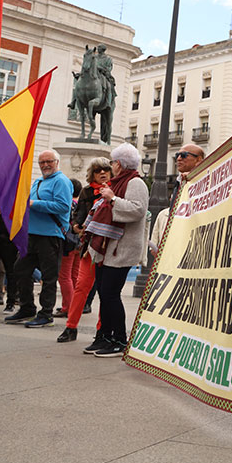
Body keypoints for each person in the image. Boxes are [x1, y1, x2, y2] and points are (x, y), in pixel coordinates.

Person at [82, 143, 148, 357]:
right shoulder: (116, 182)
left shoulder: (136, 183)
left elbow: (138, 211)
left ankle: (119, 339)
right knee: (104, 293)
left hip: (122, 248)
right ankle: (105, 336)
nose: (111, 166)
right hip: (107, 248)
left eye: (112, 162)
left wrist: (112, 198)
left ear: (118, 164)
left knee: (110, 294)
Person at [4, 150, 72, 328]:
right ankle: (27, 308)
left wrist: (34, 204)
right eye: (42, 162)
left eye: (49, 161)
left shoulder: (61, 181)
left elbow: (63, 206)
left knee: (49, 277)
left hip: (50, 236)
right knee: (20, 269)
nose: (45, 165)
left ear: (57, 162)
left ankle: (46, 314)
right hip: (32, 235)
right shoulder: (38, 181)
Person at [58, 158, 112, 344]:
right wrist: (76, 227)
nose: (102, 173)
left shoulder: (117, 191)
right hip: (89, 246)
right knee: (81, 287)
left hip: (110, 248)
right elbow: (76, 216)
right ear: (92, 174)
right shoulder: (87, 191)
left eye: (106, 169)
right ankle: (71, 327)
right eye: (98, 171)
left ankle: (101, 331)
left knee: (106, 291)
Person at [54, 178, 83, 318]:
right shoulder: (80, 204)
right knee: (75, 275)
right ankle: (75, 305)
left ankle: (68, 307)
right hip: (79, 243)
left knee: (64, 276)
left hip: (68, 243)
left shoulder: (68, 204)